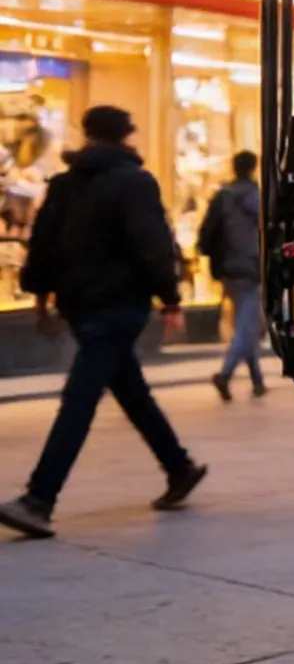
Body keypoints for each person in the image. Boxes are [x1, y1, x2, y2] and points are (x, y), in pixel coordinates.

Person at [0, 106, 207, 540]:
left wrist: (40, 298)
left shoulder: (64, 185)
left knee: (79, 399)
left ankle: (40, 498)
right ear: (128, 135)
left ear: (87, 134)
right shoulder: (135, 183)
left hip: (82, 307)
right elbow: (154, 244)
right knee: (128, 391)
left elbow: (43, 246)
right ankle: (179, 467)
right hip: (121, 306)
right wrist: (170, 298)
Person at [198, 151, 266, 400]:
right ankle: (225, 374)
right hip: (250, 266)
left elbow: (206, 234)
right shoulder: (256, 197)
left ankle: (257, 379)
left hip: (228, 268)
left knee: (245, 323)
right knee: (247, 327)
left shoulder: (223, 196)